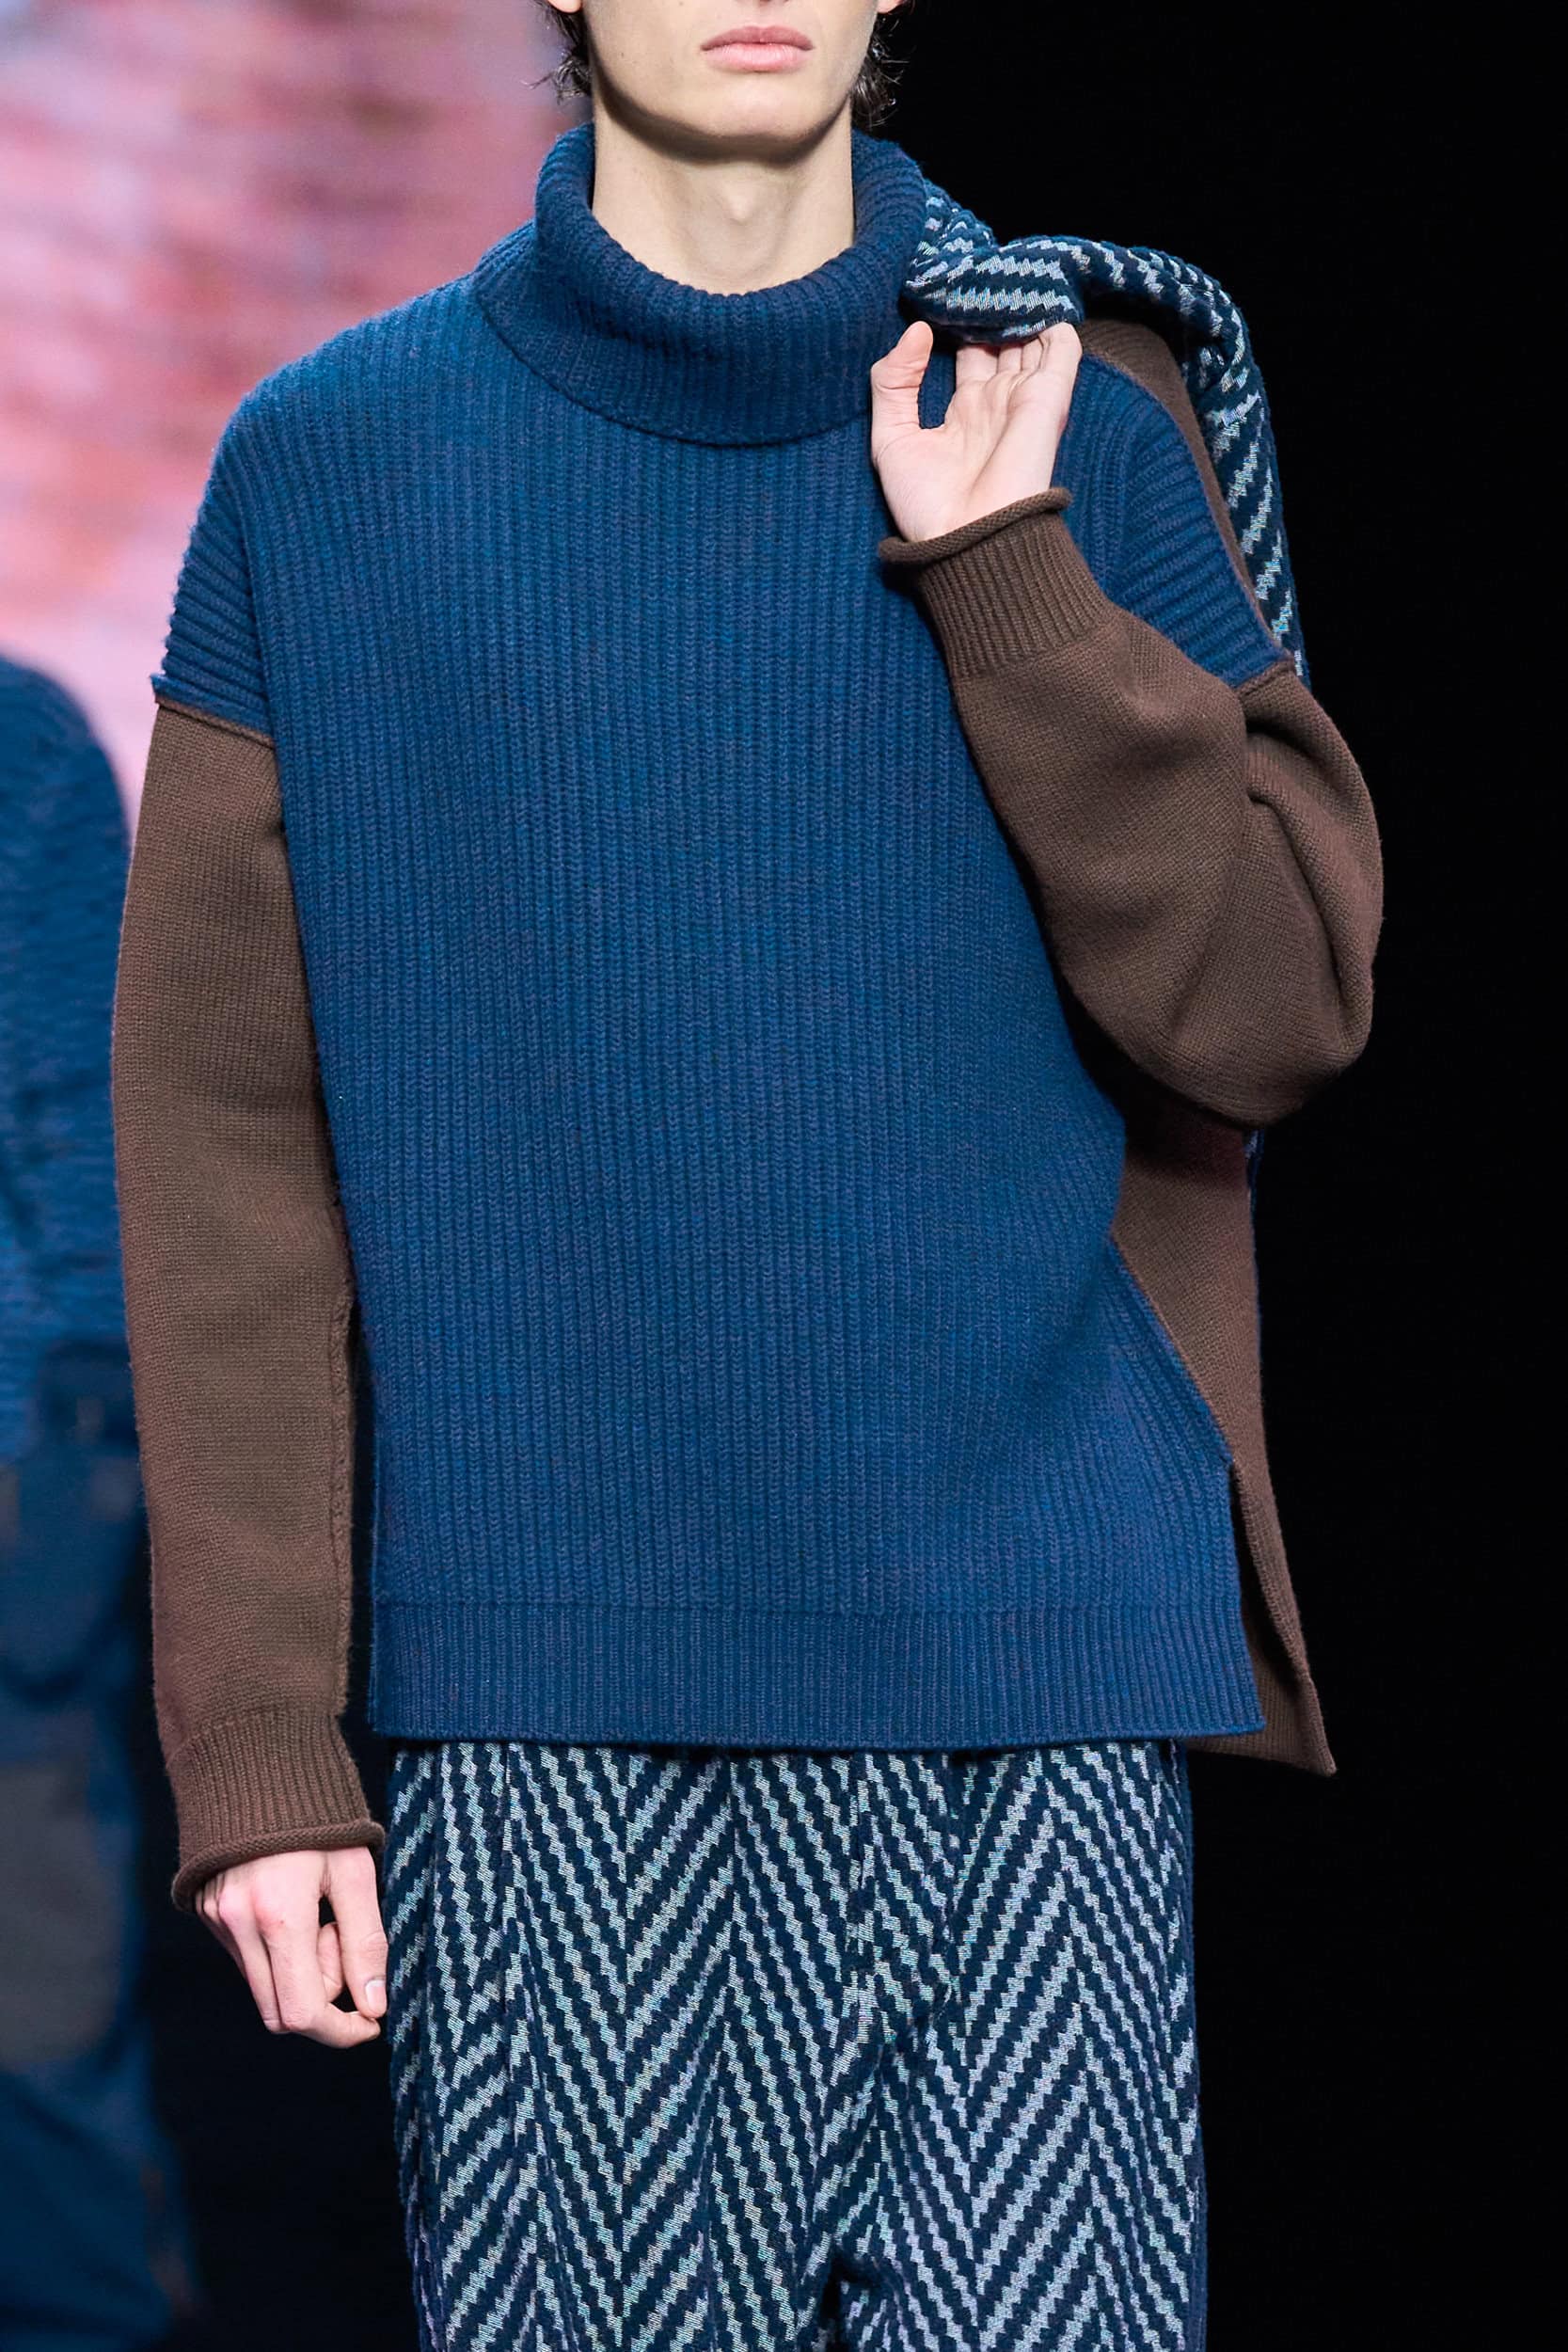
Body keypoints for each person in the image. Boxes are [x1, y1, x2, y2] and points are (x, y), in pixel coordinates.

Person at [109, 3, 1383, 2345]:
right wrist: (262, 1738)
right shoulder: (334, 469)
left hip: (1030, 1698)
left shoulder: (1073, 417)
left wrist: (1004, 565)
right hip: (552, 1729)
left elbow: (1279, 1008)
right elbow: (228, 1139)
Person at [1, 654, 198, 2352]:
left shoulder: (17, 746)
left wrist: (69, 1471)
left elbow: (93, 1130)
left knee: (33, 2013)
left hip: (11, 1488)